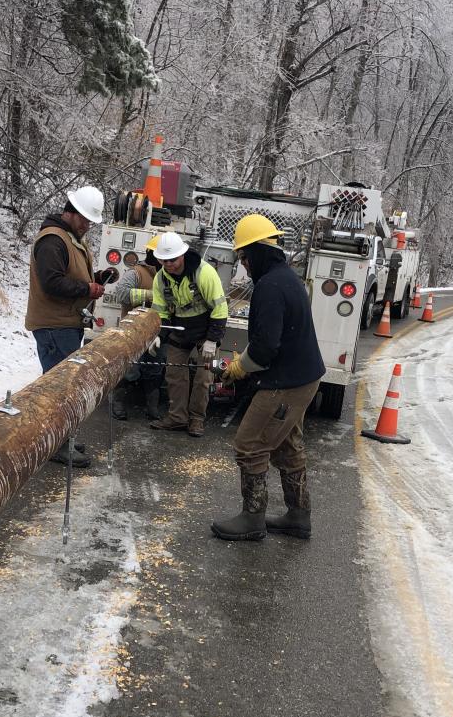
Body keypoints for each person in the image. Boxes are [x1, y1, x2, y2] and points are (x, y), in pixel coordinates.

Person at [211, 213, 325, 541]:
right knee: (287, 444)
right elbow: (270, 341)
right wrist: (245, 364)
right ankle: (298, 516)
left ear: (259, 250)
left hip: (286, 383)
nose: (243, 265)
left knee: (249, 445)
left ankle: (252, 519)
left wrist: (236, 368)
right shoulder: (285, 278)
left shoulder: (270, 286)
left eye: (245, 257)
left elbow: (264, 349)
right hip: (302, 377)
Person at [24, 185, 112, 467]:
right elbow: (52, 283)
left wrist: (97, 277)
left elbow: (69, 275)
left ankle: (62, 437)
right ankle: (56, 445)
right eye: (85, 220)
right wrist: (87, 288)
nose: (88, 226)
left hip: (66, 324)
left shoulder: (70, 239)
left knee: (66, 386)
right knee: (59, 388)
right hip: (54, 326)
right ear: (70, 212)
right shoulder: (53, 241)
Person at [149, 232, 228, 437]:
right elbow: (161, 311)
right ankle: (177, 418)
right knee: (174, 374)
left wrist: (213, 340)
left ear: (182, 255)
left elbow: (220, 309)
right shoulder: (160, 279)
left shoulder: (204, 273)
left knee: (205, 376)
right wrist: (159, 335)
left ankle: (196, 419)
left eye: (173, 260)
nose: (169, 265)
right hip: (179, 331)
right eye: (164, 261)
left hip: (206, 331)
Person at [111, 235, 165, 421]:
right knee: (129, 369)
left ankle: (152, 407)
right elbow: (121, 293)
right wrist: (152, 295)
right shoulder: (136, 273)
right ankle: (117, 403)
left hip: (157, 332)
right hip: (133, 332)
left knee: (155, 369)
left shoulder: (167, 275)